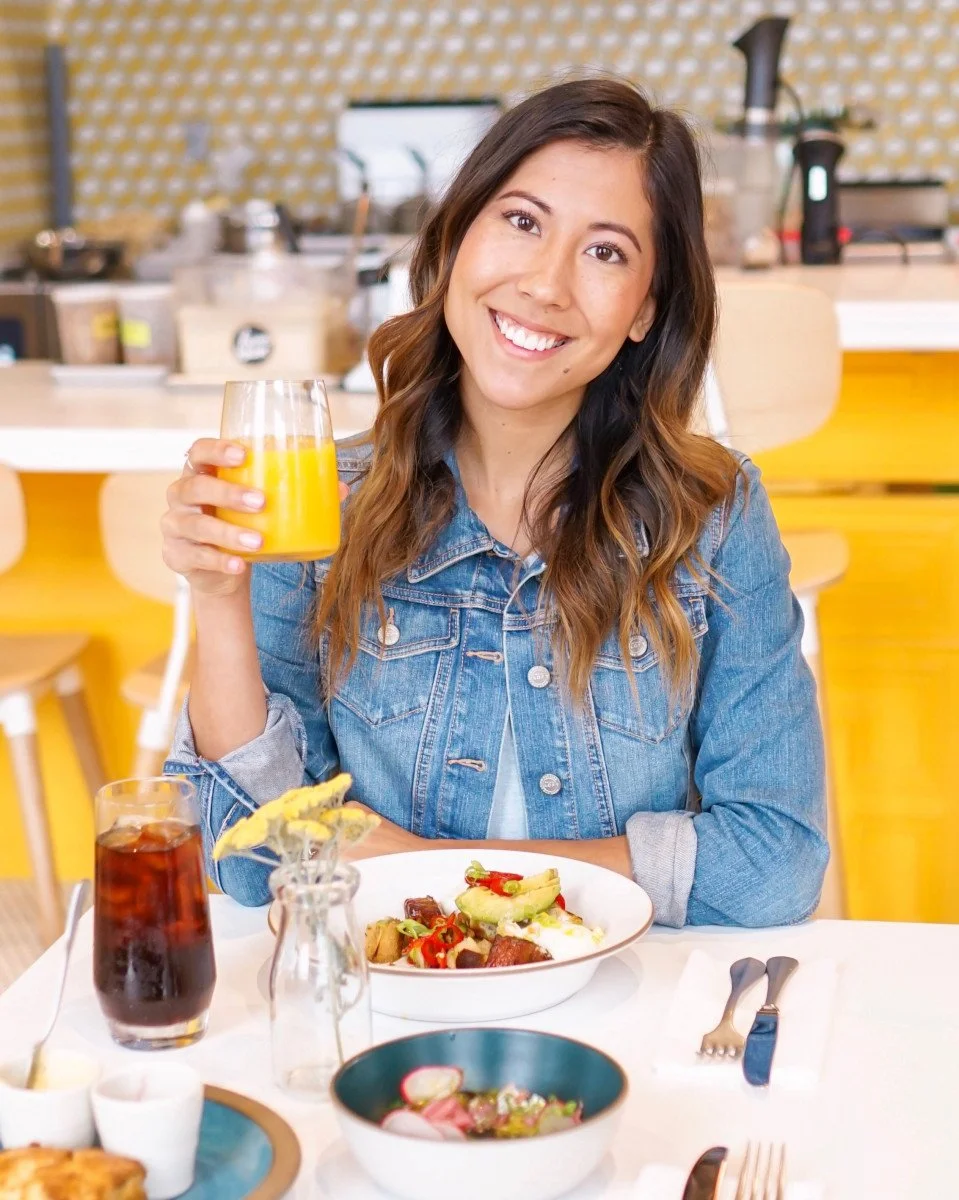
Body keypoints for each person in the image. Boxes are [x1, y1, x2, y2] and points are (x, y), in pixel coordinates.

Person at [161, 78, 828, 927]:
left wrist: (422, 869)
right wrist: (217, 593)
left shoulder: (713, 515)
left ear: (643, 312)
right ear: (456, 241)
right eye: (521, 222)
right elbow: (254, 853)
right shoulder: (328, 503)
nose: (545, 284)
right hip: (387, 1000)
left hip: (625, 1004)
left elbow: (775, 863)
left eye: (605, 252)